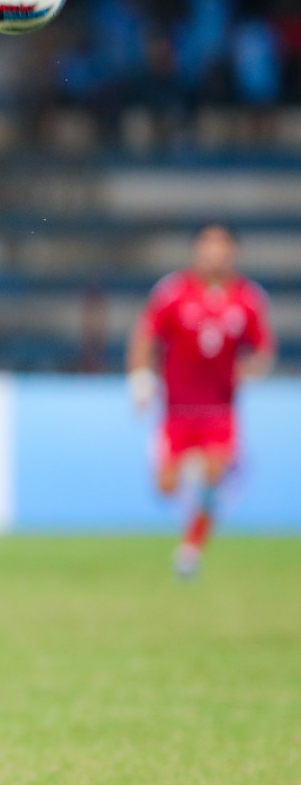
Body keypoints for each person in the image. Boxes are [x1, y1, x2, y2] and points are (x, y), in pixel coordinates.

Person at [127, 224, 274, 579]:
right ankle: (192, 479)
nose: (214, 254)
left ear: (232, 253)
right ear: (196, 251)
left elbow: (263, 349)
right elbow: (146, 335)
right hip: (176, 409)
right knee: (166, 487)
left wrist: (251, 368)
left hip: (219, 410)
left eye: (221, 247)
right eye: (208, 246)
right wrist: (141, 379)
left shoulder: (247, 298)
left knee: (213, 477)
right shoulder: (173, 292)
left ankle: (191, 548)